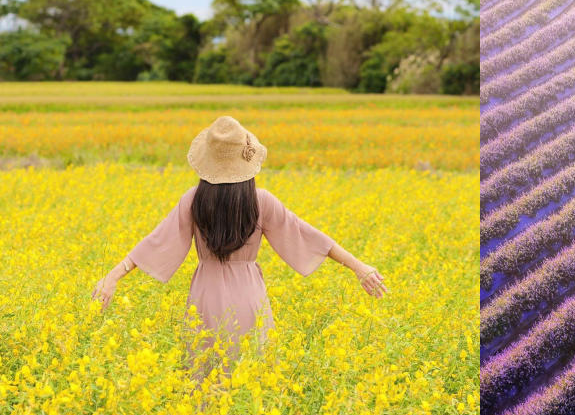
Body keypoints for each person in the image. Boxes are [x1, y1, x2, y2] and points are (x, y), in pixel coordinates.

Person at [90, 116, 387, 386]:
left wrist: (112, 276)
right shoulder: (261, 201)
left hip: (205, 298)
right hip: (249, 297)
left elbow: (154, 242)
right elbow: (310, 236)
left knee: (203, 380)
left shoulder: (194, 200)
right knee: (251, 379)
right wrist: (359, 267)